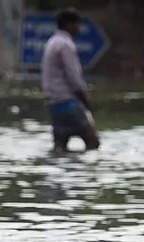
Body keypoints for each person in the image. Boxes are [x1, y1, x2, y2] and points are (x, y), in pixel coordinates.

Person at [41, 8, 99, 151]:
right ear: (69, 24)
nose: (79, 28)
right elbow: (73, 77)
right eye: (77, 24)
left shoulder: (52, 42)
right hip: (68, 102)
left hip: (53, 103)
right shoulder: (66, 45)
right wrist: (85, 100)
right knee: (93, 142)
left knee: (60, 146)